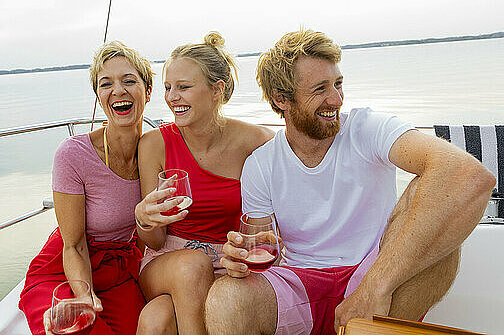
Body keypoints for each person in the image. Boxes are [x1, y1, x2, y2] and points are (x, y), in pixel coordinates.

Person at [204, 29, 496, 335]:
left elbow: (469, 175)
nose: (337, 99)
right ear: (282, 99)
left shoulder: (366, 128)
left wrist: (372, 289)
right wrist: (241, 261)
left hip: (375, 273)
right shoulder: (261, 165)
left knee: (441, 211)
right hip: (301, 284)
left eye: (338, 84)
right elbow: (266, 248)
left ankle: (373, 328)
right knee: (226, 296)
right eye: (320, 89)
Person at [18, 41, 172, 335]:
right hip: (65, 270)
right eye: (106, 84)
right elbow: (72, 245)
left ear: (148, 91)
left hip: (121, 268)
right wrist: (84, 296)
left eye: (129, 80)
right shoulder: (74, 155)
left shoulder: (158, 151)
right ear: (99, 97)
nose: (118, 91)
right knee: (78, 328)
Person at [134, 32, 275, 334]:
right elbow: (155, 241)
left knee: (155, 321)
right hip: (169, 260)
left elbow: (276, 214)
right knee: (192, 266)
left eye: (184, 87)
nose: (172, 97)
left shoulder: (257, 141)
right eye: (169, 88)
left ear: (216, 90)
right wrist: (145, 220)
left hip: (231, 259)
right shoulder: (153, 144)